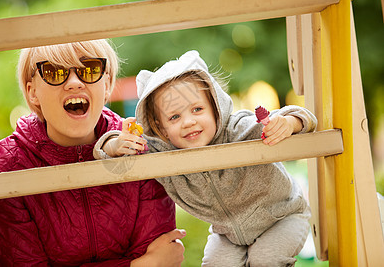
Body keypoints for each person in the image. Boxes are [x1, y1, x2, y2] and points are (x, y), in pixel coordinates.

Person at [93, 50, 317, 266]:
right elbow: (107, 151)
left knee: (265, 260)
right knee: (215, 263)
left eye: (197, 109)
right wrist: (115, 145)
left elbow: (294, 117)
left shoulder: (238, 129)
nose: (188, 122)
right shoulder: (164, 153)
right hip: (228, 233)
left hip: (282, 216)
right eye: (175, 116)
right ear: (160, 127)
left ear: (215, 107)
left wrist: (289, 123)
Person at [0, 40, 185, 266]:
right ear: (33, 93)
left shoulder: (141, 146)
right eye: (54, 71)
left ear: (107, 83)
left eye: (89, 69)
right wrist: (141, 264)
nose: (74, 82)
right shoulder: (4, 168)